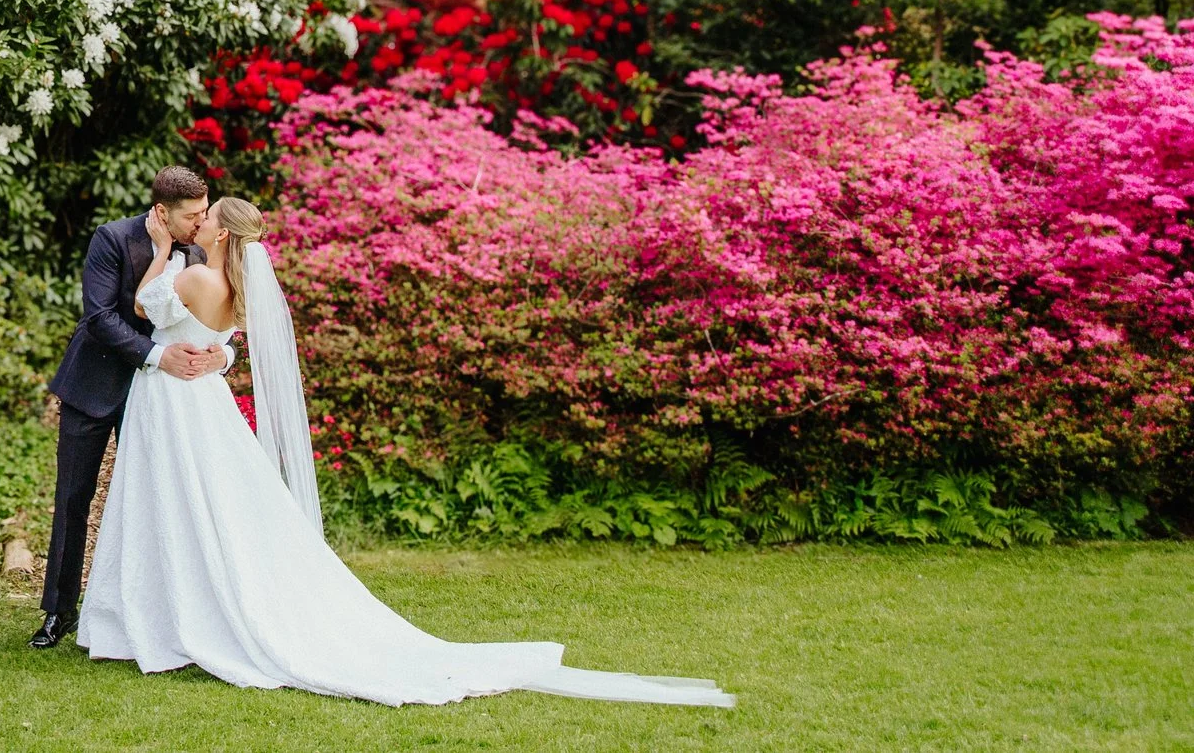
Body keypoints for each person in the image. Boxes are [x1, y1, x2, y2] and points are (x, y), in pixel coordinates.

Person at [73, 195, 735, 710]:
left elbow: (144, 307)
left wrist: (162, 249)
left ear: (220, 235)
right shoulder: (239, 289)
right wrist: (219, 354)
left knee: (173, 502)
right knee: (202, 506)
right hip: (204, 404)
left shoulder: (191, 275)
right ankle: (176, 611)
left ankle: (168, 617)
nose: (201, 223)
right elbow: (224, 342)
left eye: (208, 218)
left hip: (174, 402)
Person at [30, 165, 232, 650]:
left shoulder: (201, 250)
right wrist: (159, 355)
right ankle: (59, 611)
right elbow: (99, 316)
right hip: (95, 384)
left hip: (162, 402)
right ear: (162, 211)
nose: (200, 222)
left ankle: (152, 612)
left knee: (159, 500)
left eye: (204, 212)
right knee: (73, 498)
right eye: (191, 215)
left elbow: (222, 318)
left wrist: (222, 357)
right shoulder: (113, 238)